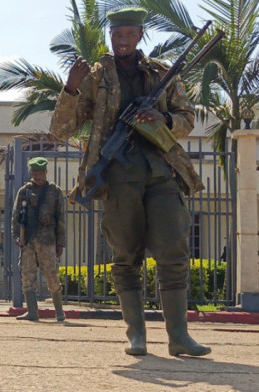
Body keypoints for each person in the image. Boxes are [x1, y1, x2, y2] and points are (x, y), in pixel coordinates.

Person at [49, 8, 210, 356]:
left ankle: (178, 337)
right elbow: (62, 129)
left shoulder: (163, 73)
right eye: (115, 35)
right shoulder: (97, 76)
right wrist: (70, 89)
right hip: (119, 176)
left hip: (162, 169)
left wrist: (163, 117)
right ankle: (136, 335)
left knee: (173, 251)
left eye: (127, 35)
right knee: (125, 256)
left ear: (139, 35)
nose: (120, 41)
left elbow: (187, 117)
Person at [11, 157, 66, 322]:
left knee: (51, 274)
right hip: (28, 239)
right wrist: (16, 235)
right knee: (27, 274)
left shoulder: (55, 192)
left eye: (41, 173)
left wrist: (60, 243)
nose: (38, 176)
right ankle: (32, 312)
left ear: (46, 172)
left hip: (48, 239)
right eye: (35, 173)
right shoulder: (24, 191)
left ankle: (59, 311)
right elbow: (16, 216)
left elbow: (61, 219)